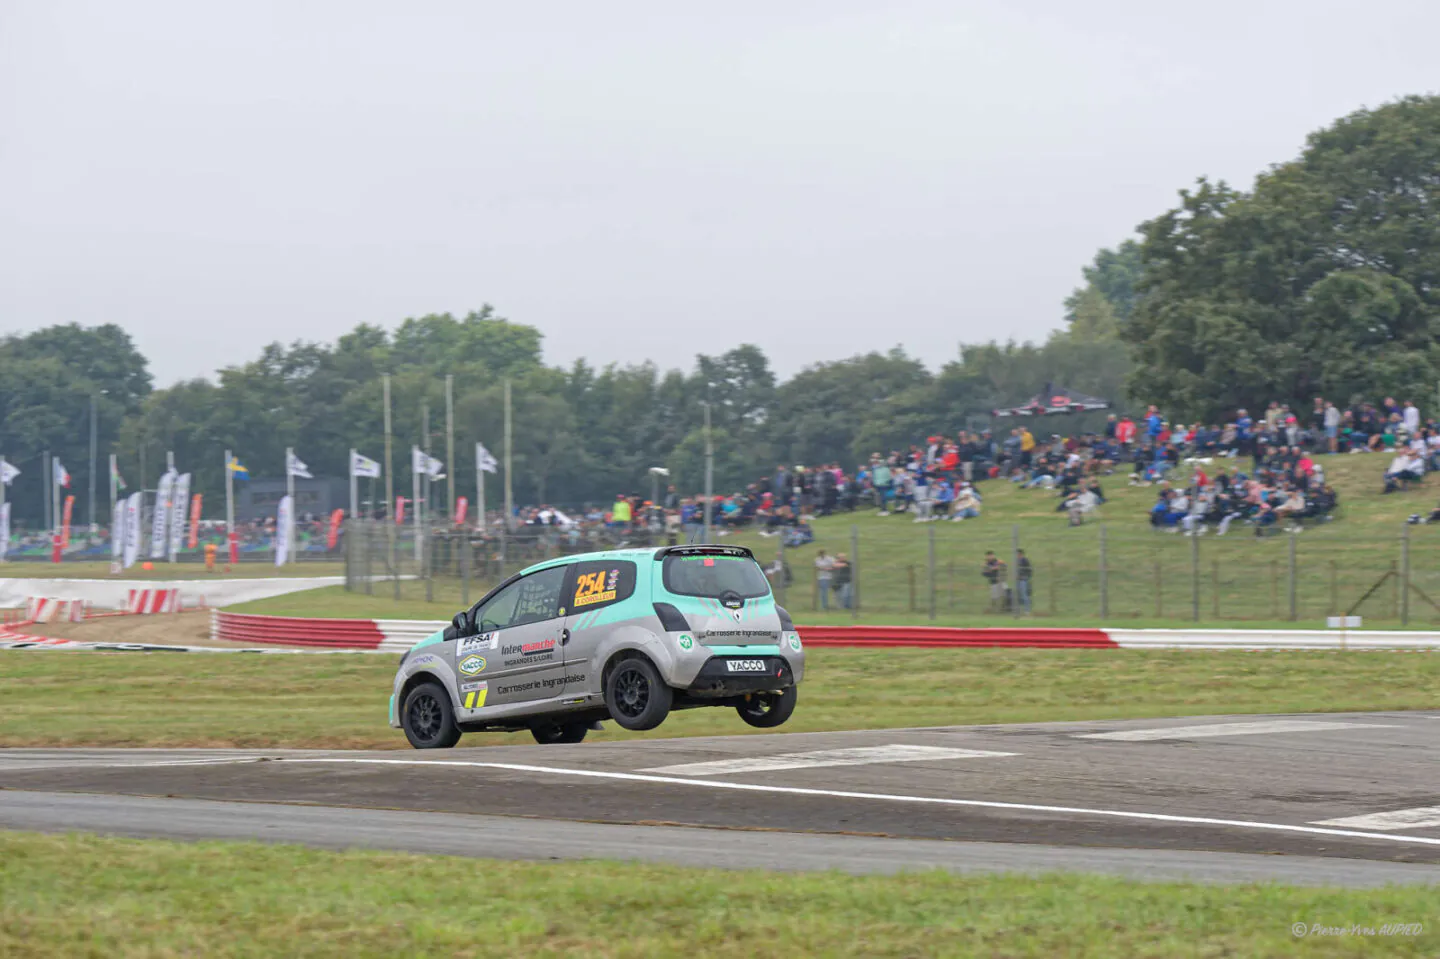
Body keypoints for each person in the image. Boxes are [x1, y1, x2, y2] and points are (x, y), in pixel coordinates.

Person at [1015, 549, 1033, 614]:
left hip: (1023, 580)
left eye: (1017, 554)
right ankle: (1019, 610)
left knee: (1024, 594)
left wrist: (1026, 577)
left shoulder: (1025, 560)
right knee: (1018, 595)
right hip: (1018, 580)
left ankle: (1027, 610)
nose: (1017, 555)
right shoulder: (1017, 561)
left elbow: (1030, 570)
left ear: (1020, 554)